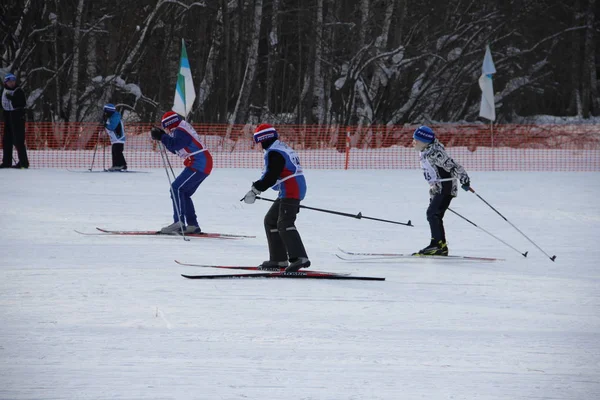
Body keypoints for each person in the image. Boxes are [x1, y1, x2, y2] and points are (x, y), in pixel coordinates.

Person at [243, 123, 310, 272]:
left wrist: (256, 189)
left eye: (260, 142)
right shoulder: (279, 148)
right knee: (271, 221)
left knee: (285, 222)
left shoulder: (275, 153)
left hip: (292, 189)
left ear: (265, 139)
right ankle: (278, 259)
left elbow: (271, 177)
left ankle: (300, 258)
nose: (260, 146)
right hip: (289, 189)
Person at [150, 111, 213, 234]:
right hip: (201, 162)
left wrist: (162, 136)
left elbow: (175, 144)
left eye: (166, 127)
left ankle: (178, 222)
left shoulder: (180, 130)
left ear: (169, 124)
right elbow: (176, 148)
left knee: (176, 188)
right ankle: (192, 224)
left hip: (199, 162)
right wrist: (163, 137)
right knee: (183, 193)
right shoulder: (181, 128)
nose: (167, 130)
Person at [412, 125, 470, 256]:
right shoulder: (426, 151)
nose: (413, 142)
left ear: (425, 141)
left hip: (446, 187)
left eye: (416, 140)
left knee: (432, 214)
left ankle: (437, 245)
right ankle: (440, 245)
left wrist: (464, 179)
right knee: (434, 214)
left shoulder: (436, 153)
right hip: (438, 188)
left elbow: (453, 166)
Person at [1, 73, 29, 169]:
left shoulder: (18, 91)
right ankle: (6, 162)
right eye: (10, 81)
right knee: (6, 140)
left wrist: (12, 98)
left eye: (13, 81)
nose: (12, 83)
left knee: (18, 140)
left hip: (17, 117)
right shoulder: (3, 91)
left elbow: (22, 103)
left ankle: (23, 163)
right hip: (7, 116)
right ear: (6, 82)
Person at [102, 103, 127, 171]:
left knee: (117, 151)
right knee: (114, 151)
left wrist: (105, 124)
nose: (105, 113)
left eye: (106, 112)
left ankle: (122, 165)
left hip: (119, 137)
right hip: (115, 139)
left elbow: (112, 127)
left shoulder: (115, 117)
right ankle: (116, 165)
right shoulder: (111, 117)